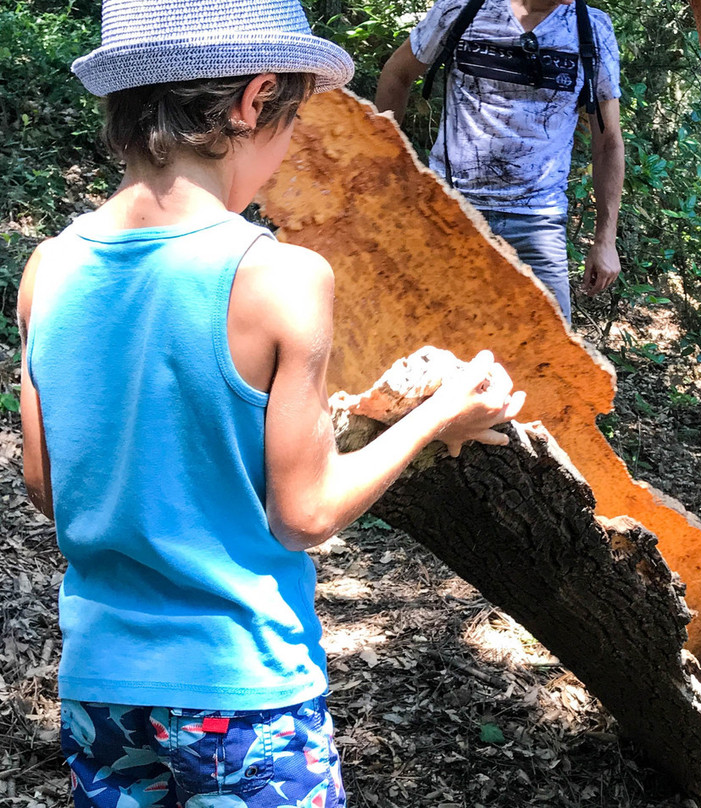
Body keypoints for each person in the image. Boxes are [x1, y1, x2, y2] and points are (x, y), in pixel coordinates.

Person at [19, 1, 524, 804]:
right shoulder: (282, 277)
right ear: (255, 101)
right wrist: (439, 415)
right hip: (243, 693)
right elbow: (306, 515)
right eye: (292, 119)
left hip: (100, 685)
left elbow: (47, 485)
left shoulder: (48, 269)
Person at [374, 0, 625, 322]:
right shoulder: (461, 9)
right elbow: (398, 74)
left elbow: (609, 142)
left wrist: (605, 239)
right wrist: (388, 170)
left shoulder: (593, 29)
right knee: (426, 338)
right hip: (447, 210)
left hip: (538, 221)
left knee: (547, 358)